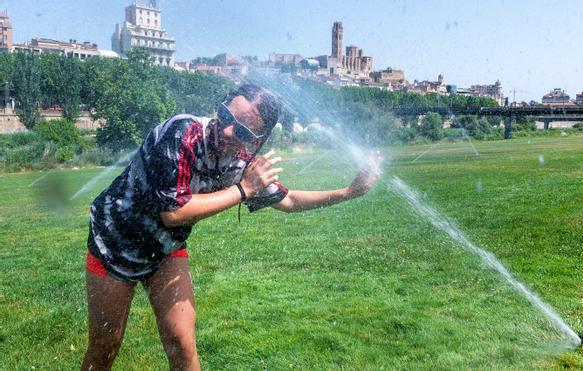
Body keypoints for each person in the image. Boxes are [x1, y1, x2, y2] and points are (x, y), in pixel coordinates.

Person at [81, 84, 380, 370]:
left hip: (164, 249)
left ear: (257, 139)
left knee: (181, 341)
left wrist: (348, 192)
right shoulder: (183, 132)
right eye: (225, 116)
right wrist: (243, 190)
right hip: (115, 241)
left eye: (241, 130)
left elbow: (288, 201)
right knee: (105, 345)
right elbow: (173, 213)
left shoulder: (240, 163)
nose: (225, 130)